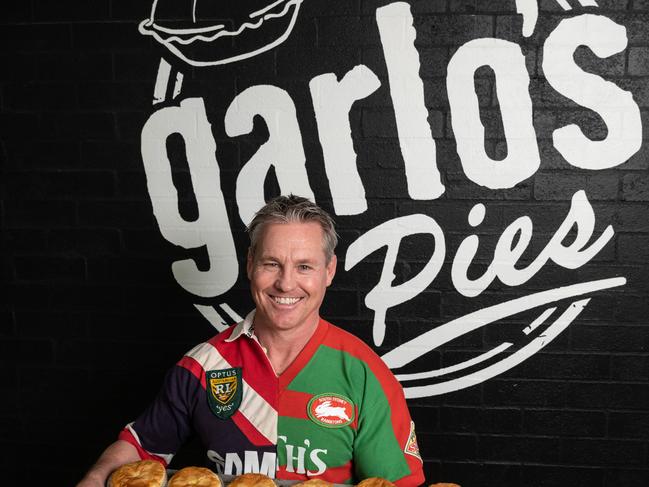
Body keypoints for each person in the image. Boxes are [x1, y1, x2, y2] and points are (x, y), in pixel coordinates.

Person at [77, 195, 424, 486]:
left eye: (304, 266)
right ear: (250, 264)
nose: (286, 284)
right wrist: (93, 479)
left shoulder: (364, 373)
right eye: (272, 263)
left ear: (329, 271)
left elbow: (398, 484)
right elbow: (141, 449)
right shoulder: (203, 364)